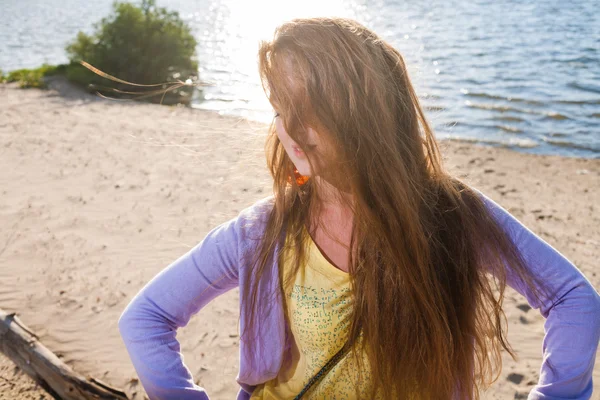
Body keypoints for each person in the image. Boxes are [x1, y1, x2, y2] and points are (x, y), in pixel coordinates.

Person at [118, 17, 600, 400]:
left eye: (316, 104)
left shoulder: (453, 215)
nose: (296, 126)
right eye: (284, 106)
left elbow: (572, 298)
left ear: (367, 109)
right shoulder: (263, 230)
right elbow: (147, 317)